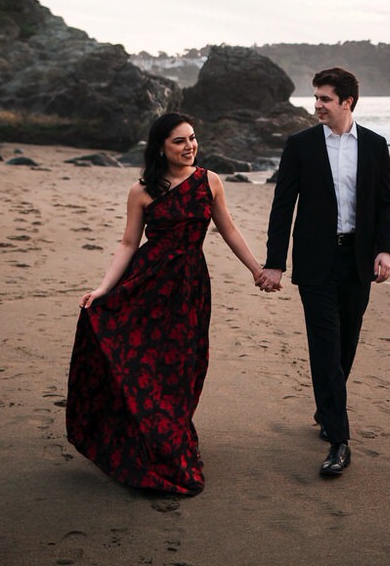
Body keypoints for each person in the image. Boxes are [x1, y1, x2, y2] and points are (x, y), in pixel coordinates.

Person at [66, 112, 265, 495]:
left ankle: (170, 435)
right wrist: (104, 288)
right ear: (161, 147)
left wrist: (257, 270)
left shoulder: (210, 181)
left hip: (190, 288)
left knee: (184, 366)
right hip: (146, 286)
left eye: (192, 138)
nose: (190, 145)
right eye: (179, 141)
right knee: (145, 363)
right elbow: (128, 243)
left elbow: (229, 230)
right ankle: (147, 440)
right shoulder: (141, 190)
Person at [261, 66, 390, 477]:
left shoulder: (374, 145)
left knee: (346, 345)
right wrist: (274, 263)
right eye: (315, 97)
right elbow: (283, 206)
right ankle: (339, 440)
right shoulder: (300, 145)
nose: (316, 105)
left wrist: (386, 251)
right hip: (316, 262)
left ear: (346, 102)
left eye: (324, 98)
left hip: (358, 262)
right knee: (325, 348)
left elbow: (386, 203)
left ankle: (326, 408)